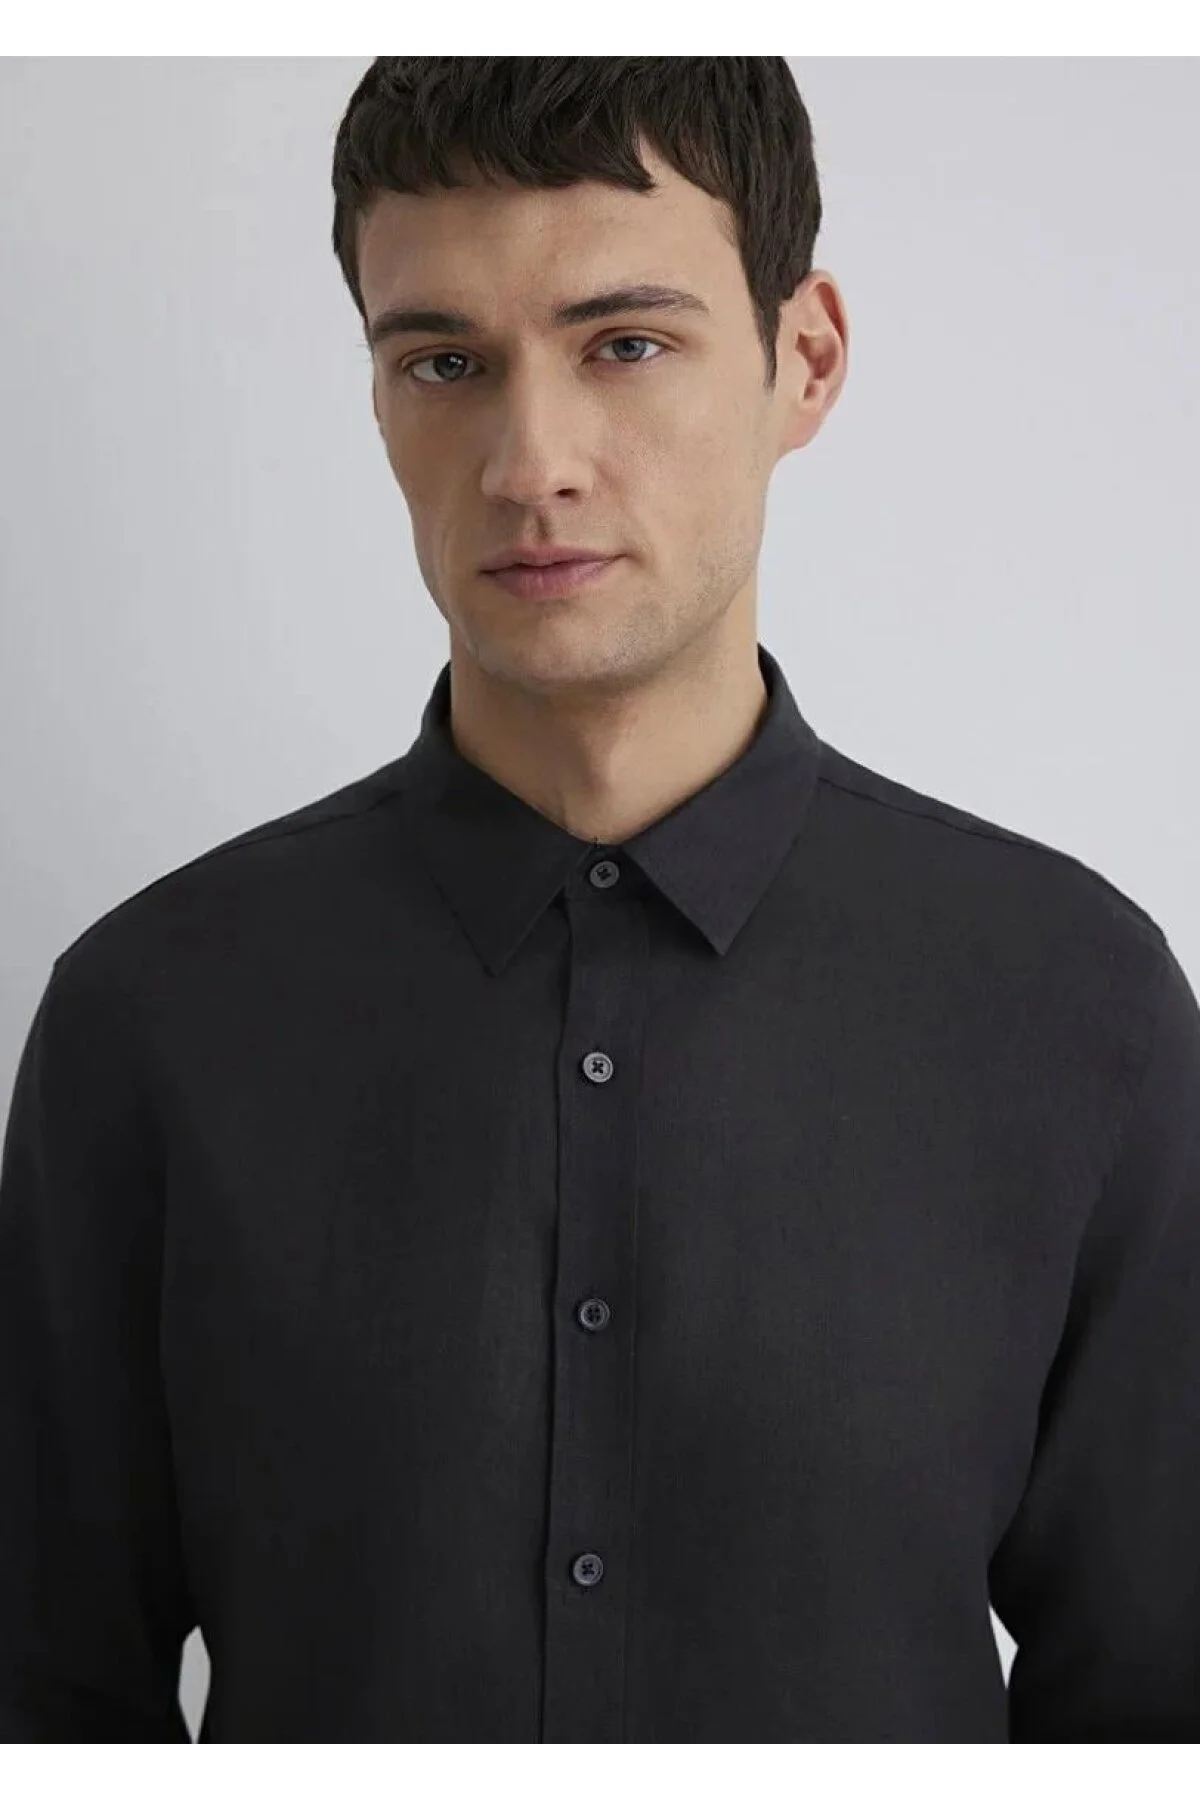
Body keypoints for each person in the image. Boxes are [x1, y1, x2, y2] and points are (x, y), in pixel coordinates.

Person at [1, 55, 1197, 1746]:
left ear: (804, 359)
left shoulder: (1077, 1006)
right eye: (445, 362)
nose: (528, 461)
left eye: (625, 344)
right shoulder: (151, 1017)